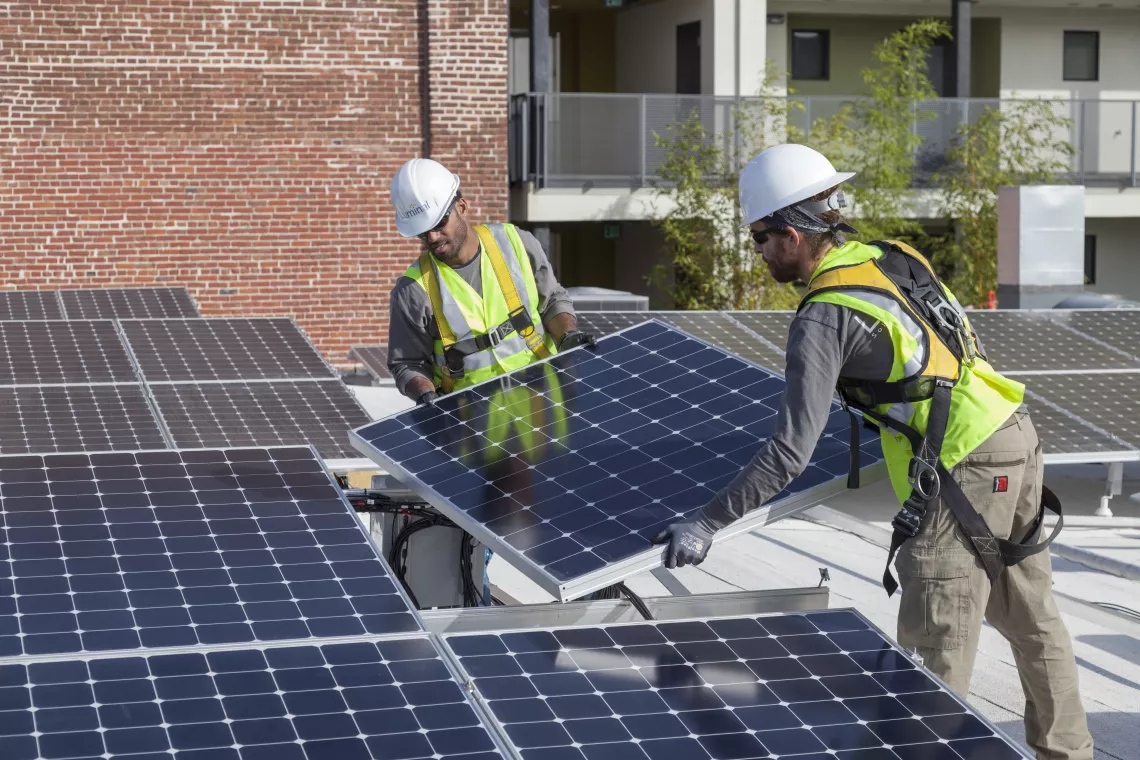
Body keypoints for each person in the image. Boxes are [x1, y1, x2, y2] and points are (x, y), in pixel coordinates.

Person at [650, 143, 1093, 760]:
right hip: (1012, 431)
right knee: (1032, 618)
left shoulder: (824, 315)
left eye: (758, 238)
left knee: (934, 644)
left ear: (793, 233)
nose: (757, 253)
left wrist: (707, 522)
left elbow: (788, 453)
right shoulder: (891, 256)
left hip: (963, 462)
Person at [386, 157, 594, 403]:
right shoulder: (412, 290)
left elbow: (551, 302)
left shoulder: (516, 243)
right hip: (470, 423)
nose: (432, 237)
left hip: (544, 403)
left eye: (440, 223)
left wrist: (568, 337)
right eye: (422, 231)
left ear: (462, 207)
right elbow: (407, 363)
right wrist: (425, 395)